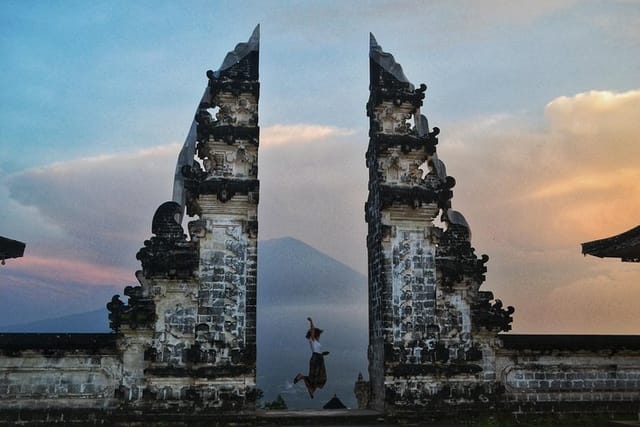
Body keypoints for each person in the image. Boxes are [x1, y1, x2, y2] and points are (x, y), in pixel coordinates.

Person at [293, 317, 329, 398]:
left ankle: (309, 387)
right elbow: (312, 330)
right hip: (316, 359)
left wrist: (323, 353)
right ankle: (303, 379)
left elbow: (318, 351)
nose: (320, 336)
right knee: (315, 378)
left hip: (319, 359)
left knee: (319, 378)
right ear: (316, 335)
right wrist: (311, 321)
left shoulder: (316, 342)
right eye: (319, 334)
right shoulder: (312, 340)